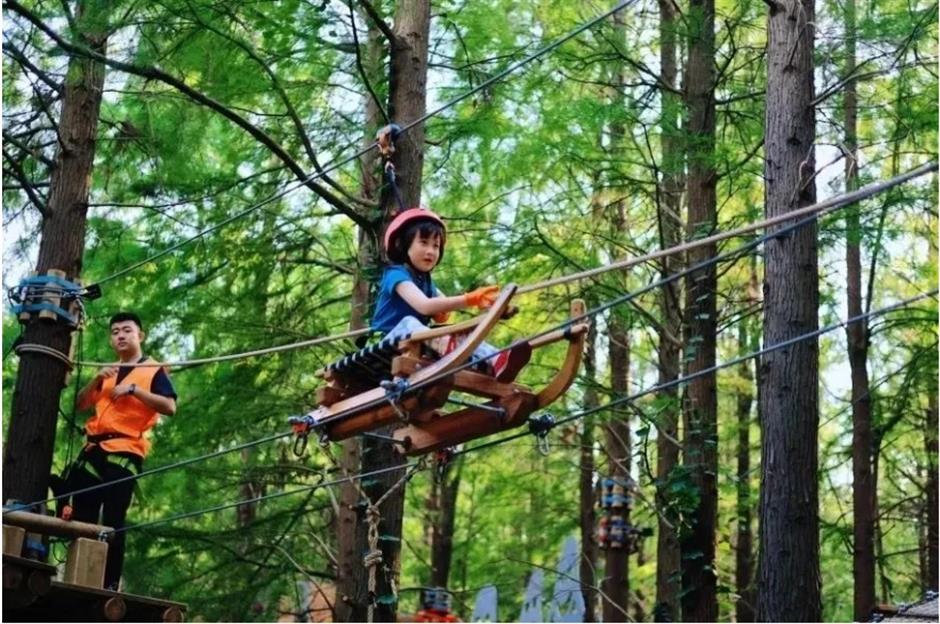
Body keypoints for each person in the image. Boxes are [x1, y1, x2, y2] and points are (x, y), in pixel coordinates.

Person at [63, 312, 177, 591]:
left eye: (127, 330)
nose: (121, 336)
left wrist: (134, 389)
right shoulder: (108, 371)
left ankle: (109, 584)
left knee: (114, 518)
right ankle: (78, 578)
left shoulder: (153, 369)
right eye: (115, 332)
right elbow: (79, 405)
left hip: (125, 450)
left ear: (140, 335)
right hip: (94, 449)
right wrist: (94, 380)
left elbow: (170, 406)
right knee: (82, 516)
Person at [372, 207, 530, 382]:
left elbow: (443, 313)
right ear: (402, 245)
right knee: (410, 323)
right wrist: (471, 299)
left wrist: (494, 306)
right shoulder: (395, 275)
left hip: (417, 340)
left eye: (436, 246)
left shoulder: (427, 283)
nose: (431, 251)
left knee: (459, 333)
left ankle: (498, 361)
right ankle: (460, 354)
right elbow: (424, 306)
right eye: (424, 242)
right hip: (389, 341)